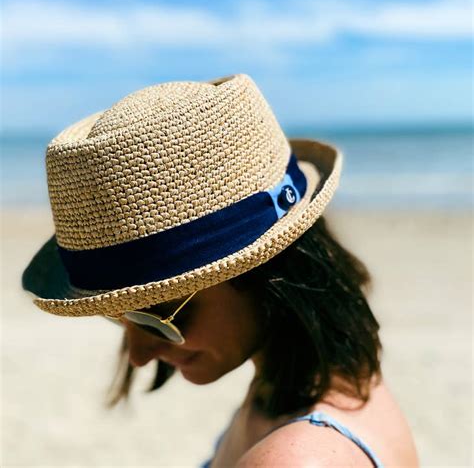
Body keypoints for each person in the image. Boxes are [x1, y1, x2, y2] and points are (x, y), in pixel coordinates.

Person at [22, 73, 419, 466]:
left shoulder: (294, 458)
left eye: (155, 317)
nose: (139, 356)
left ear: (265, 273)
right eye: (117, 316)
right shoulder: (330, 381)